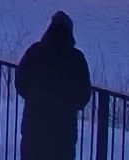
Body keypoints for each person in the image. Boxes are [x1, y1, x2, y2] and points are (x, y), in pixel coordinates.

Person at [15, 12, 92, 160]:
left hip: (34, 128)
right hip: (63, 132)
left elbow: (20, 81)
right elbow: (84, 95)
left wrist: (33, 98)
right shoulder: (76, 59)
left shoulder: (35, 51)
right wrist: (69, 106)